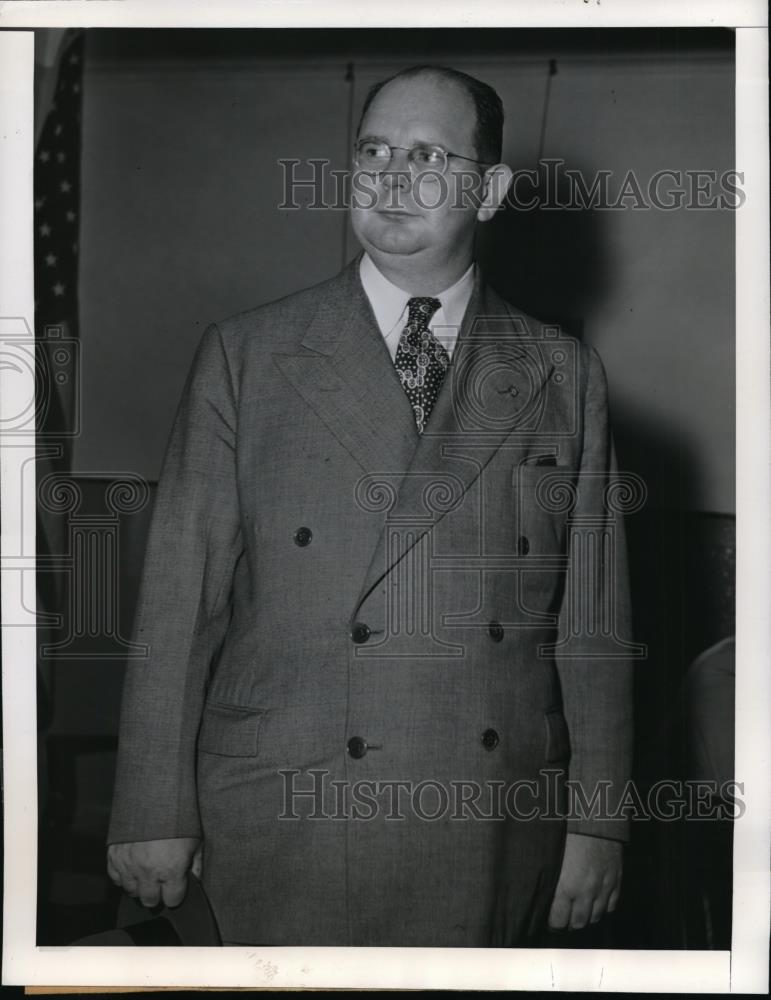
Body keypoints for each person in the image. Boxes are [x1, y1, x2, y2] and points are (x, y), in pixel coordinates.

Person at [106, 64, 634, 947]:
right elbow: (177, 600)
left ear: (491, 189)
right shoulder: (249, 355)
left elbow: (593, 626)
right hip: (283, 802)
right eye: (373, 151)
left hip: (487, 813)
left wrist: (598, 821)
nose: (390, 178)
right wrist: (148, 806)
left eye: (426, 155)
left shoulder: (562, 374)